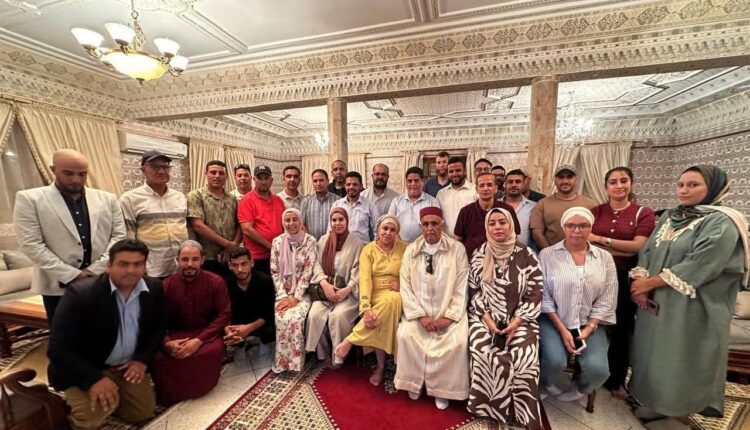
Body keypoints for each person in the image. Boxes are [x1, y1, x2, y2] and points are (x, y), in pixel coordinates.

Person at [629, 165, 749, 423]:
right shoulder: (671, 216)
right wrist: (640, 280)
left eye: (693, 185)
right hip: (658, 301)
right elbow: (648, 251)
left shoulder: (722, 221)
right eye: (681, 184)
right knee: (654, 353)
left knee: (682, 357)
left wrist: (649, 284)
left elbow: (702, 263)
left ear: (714, 188)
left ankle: (678, 408)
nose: (684, 190)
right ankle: (655, 401)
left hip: (693, 306)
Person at [47, 239, 164, 430]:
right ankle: (72, 405)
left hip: (125, 366)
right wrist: (93, 380)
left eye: (137, 264)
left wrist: (141, 360)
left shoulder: (154, 288)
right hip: (88, 367)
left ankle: (113, 398)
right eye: (123, 264)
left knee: (141, 412)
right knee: (91, 418)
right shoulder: (81, 294)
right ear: (109, 266)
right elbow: (58, 348)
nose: (131, 270)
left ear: (145, 266)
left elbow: (158, 329)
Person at [13, 148, 126, 322]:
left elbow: (119, 236)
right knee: (64, 335)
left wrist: (94, 270)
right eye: (68, 173)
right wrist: (72, 275)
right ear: (53, 170)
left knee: (106, 330)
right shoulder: (30, 199)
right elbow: (31, 244)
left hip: (102, 280)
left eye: (82, 174)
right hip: (57, 286)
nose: (76, 179)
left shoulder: (108, 199)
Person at [467, 208, 544, 429]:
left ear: (511, 225)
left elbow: (535, 292)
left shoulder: (526, 254)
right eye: (492, 223)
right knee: (483, 350)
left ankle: (521, 412)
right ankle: (489, 408)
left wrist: (516, 322)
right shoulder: (480, 253)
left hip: (521, 317)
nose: (497, 227)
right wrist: (489, 322)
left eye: (502, 222)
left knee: (524, 358)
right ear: (487, 228)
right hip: (485, 316)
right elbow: (474, 291)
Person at [588, 167, 655, 398]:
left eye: (623, 181)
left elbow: (639, 247)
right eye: (613, 182)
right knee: (591, 321)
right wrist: (620, 246)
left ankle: (615, 380)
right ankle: (587, 372)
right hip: (595, 273)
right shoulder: (596, 212)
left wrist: (601, 239)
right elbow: (586, 243)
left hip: (626, 275)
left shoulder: (643, 213)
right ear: (606, 186)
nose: (618, 186)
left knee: (622, 328)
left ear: (631, 183)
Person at [538, 207, 617, 402]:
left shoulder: (604, 258)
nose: (576, 230)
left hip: (589, 321)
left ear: (591, 228)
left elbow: (608, 297)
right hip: (554, 319)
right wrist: (563, 330)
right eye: (570, 225)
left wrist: (589, 328)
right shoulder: (547, 255)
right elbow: (544, 296)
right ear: (563, 227)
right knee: (554, 361)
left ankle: (580, 389)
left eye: (583, 226)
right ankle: (546, 383)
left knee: (598, 369)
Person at [395, 207, 469, 410]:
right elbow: (405, 285)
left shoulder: (457, 249)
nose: (429, 228)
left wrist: (448, 317)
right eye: (425, 224)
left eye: (434, 223)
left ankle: (442, 390)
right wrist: (421, 316)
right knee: (406, 336)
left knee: (457, 343)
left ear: (442, 225)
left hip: (448, 313)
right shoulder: (411, 250)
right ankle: (413, 383)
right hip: (419, 314)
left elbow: (461, 286)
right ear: (420, 227)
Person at [152, 240, 231, 405]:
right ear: (177, 260)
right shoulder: (165, 286)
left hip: (206, 334)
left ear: (202, 260)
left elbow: (223, 315)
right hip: (176, 335)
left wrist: (199, 340)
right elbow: (157, 320)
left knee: (211, 351)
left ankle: (202, 388)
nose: (189, 264)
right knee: (159, 358)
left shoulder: (216, 282)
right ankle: (172, 394)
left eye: (195, 259)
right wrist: (167, 343)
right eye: (185, 259)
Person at [334, 215, 407, 386]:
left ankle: (352, 340)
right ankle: (384, 367)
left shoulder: (405, 248)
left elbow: (412, 272)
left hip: (397, 292)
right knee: (377, 316)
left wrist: (402, 285)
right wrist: (366, 307)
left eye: (392, 230)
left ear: (397, 233)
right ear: (378, 230)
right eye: (385, 229)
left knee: (393, 299)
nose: (388, 233)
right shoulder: (368, 249)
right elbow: (365, 279)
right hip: (374, 293)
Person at [305, 208, 365, 365]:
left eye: (341, 220)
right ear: (330, 222)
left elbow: (359, 270)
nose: (337, 223)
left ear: (347, 221)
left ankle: (338, 355)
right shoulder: (323, 240)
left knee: (338, 316)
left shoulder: (357, 244)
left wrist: (347, 290)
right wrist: (324, 283)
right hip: (325, 291)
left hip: (348, 294)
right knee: (314, 315)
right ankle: (322, 354)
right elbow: (315, 264)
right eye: (334, 220)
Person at [120, 150, 188, 279]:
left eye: (165, 167)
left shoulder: (179, 197)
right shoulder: (130, 199)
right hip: (151, 269)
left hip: (180, 268)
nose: (161, 171)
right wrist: (136, 264)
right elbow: (129, 236)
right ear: (143, 170)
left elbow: (187, 229)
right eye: (155, 167)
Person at [270, 208, 318, 373]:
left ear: (301, 221)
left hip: (302, 293)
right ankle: (283, 362)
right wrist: (283, 295)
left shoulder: (310, 241)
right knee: (281, 316)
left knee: (296, 318)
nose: (291, 223)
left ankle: (296, 363)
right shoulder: (277, 242)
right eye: (287, 220)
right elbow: (275, 271)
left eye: (295, 219)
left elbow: (308, 271)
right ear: (283, 222)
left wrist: (296, 298)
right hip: (283, 293)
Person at [186, 160, 241, 278]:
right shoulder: (195, 195)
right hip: (206, 257)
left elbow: (239, 225)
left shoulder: (232, 199)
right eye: (213, 172)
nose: (217, 176)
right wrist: (228, 244)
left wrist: (231, 247)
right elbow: (198, 226)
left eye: (221, 173)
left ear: (226, 176)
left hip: (230, 257)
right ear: (206, 174)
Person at [454, 172, 520, 259]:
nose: (485, 188)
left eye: (489, 185)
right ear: (476, 189)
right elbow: (458, 240)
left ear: (496, 188)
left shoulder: (507, 210)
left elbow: (514, 237)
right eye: (482, 185)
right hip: (472, 261)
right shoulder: (465, 212)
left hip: (502, 259)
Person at [530, 164, 595, 249]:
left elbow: (595, 233)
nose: (565, 181)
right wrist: (550, 252)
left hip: (583, 254)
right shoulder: (543, 204)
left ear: (576, 179)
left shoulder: (590, 204)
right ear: (555, 180)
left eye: (569, 177)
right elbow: (537, 233)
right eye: (561, 177)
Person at [238, 165, 286, 274]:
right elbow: (247, 230)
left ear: (271, 180)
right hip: (257, 257)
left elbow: (284, 226)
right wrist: (271, 246)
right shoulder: (246, 200)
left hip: (278, 255)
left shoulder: (278, 200)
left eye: (266, 178)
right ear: (254, 179)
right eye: (260, 178)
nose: (263, 182)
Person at [223, 247, 275, 347]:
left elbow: (268, 314)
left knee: (269, 331)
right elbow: (223, 313)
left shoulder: (265, 281)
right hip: (237, 325)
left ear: (251, 263)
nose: (240, 269)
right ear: (230, 266)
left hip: (259, 325)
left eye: (244, 264)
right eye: (235, 265)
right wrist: (229, 332)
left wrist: (247, 329)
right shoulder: (225, 284)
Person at [388, 166, 440, 242]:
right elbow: (390, 222)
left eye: (416, 181)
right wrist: (399, 242)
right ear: (406, 183)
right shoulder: (396, 201)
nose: (413, 184)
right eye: (409, 181)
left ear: (423, 182)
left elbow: (436, 225)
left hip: (423, 245)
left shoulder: (432, 202)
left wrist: (419, 244)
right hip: (399, 244)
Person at [331, 171, 378, 243]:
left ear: (361, 186)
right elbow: (330, 229)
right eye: (348, 184)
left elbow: (377, 230)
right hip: (342, 247)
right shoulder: (337, 205)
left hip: (363, 248)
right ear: (344, 186)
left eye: (355, 184)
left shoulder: (369, 205)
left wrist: (372, 247)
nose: (351, 187)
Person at [436, 157, 477, 238]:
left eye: (458, 170)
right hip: (447, 241)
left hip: (470, 240)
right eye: (451, 171)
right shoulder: (441, 194)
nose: (454, 174)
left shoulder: (475, 190)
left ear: (464, 171)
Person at [502, 169, 537, 248]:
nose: (514, 185)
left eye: (518, 182)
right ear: (505, 185)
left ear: (524, 184)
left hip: (525, 253)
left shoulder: (534, 207)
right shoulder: (496, 206)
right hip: (499, 252)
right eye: (510, 182)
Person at [300, 169, 338, 240]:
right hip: (311, 243)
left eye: (321, 180)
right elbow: (301, 224)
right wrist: (310, 240)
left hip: (331, 242)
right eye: (315, 181)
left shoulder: (337, 200)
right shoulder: (306, 201)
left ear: (327, 181)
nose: (318, 183)